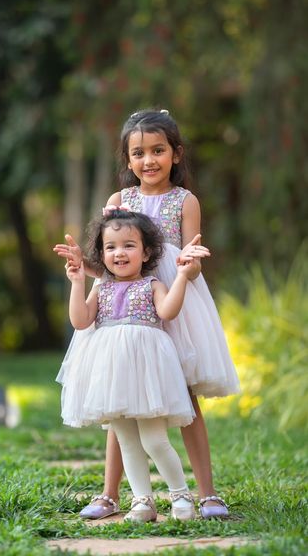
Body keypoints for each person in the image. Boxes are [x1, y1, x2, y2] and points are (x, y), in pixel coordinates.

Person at [54, 109, 240, 519]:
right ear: (128, 159)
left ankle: (206, 493)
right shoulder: (119, 201)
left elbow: (192, 254)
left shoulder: (184, 200)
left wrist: (189, 266)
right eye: (138, 153)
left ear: (176, 154)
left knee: (185, 394)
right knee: (119, 395)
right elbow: (108, 258)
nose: (148, 160)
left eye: (158, 150)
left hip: (172, 298)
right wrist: (80, 268)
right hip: (120, 303)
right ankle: (110, 493)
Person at [60, 207, 204, 522]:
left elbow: (168, 311)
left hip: (147, 372)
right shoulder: (101, 288)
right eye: (110, 247)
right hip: (112, 373)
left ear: (146, 251)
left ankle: (180, 495)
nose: (119, 253)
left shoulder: (153, 285)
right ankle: (142, 501)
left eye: (128, 245)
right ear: (101, 254)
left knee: (154, 439)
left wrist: (180, 275)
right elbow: (81, 321)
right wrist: (76, 282)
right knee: (126, 439)